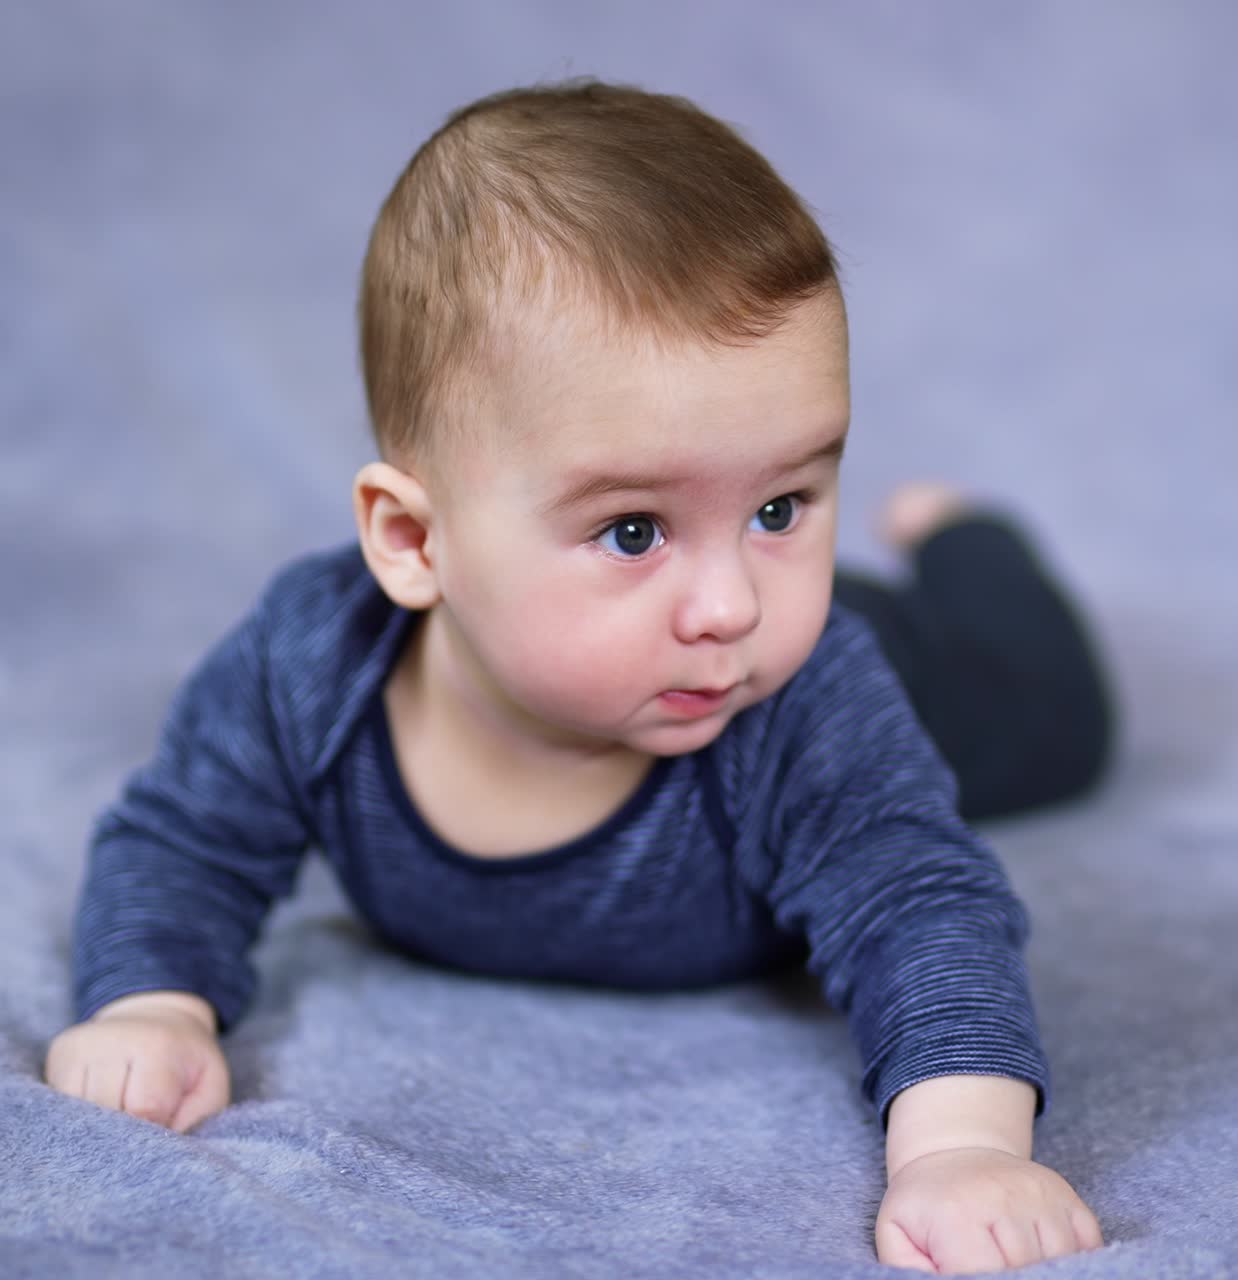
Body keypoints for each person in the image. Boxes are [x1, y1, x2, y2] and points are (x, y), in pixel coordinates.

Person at [44, 81, 1112, 1273]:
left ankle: (968, 543)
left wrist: (958, 1148)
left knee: (1055, 722)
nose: (728, 603)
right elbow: (183, 838)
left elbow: (919, 905)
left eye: (781, 504)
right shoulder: (311, 664)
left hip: (915, 670)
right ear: (413, 541)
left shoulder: (797, 694)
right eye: (631, 531)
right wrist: (152, 1000)